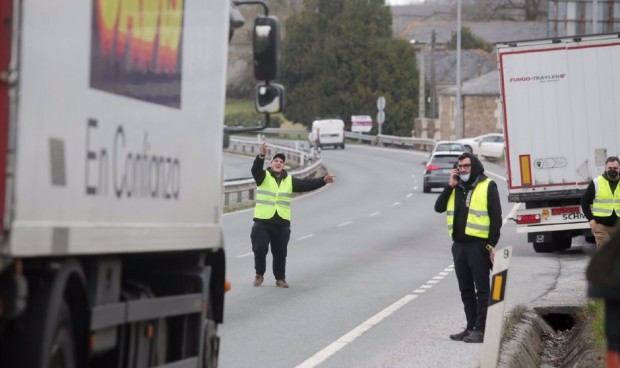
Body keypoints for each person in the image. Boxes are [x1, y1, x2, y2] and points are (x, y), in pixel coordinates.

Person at [434, 152, 502, 343]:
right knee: (465, 290)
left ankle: (481, 329)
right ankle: (470, 327)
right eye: (460, 166)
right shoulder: (456, 188)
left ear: (474, 166)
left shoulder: (488, 185)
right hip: (459, 247)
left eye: (466, 166)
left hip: (478, 246)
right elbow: (438, 207)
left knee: (482, 290)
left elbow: (496, 220)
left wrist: (490, 246)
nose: (463, 169)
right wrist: (450, 185)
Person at [251, 143, 336, 288]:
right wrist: (261, 155)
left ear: (283, 166)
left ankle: (280, 279)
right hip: (263, 221)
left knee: (280, 253)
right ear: (271, 164)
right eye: (276, 161)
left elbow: (307, 184)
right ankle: (259, 274)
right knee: (259, 249)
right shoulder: (263, 176)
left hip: (281, 222)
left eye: (281, 162)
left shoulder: (289, 180)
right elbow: (255, 169)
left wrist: (323, 180)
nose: (278, 163)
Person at [581, 156, 620, 249]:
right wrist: (591, 220)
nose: (612, 170)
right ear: (605, 168)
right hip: (601, 227)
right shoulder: (596, 182)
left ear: (619, 169)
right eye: (610, 168)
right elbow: (584, 201)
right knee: (604, 257)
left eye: (615, 168)